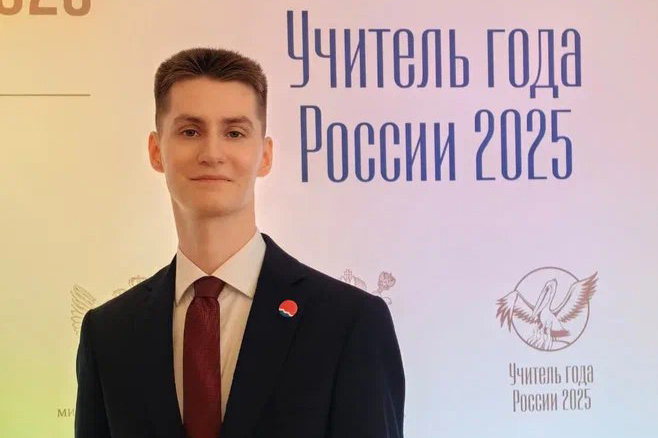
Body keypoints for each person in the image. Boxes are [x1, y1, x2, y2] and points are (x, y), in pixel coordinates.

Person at [74, 47, 405, 438]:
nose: (212, 153)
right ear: (156, 151)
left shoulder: (349, 323)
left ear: (264, 155)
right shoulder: (109, 334)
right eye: (190, 131)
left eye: (234, 133)